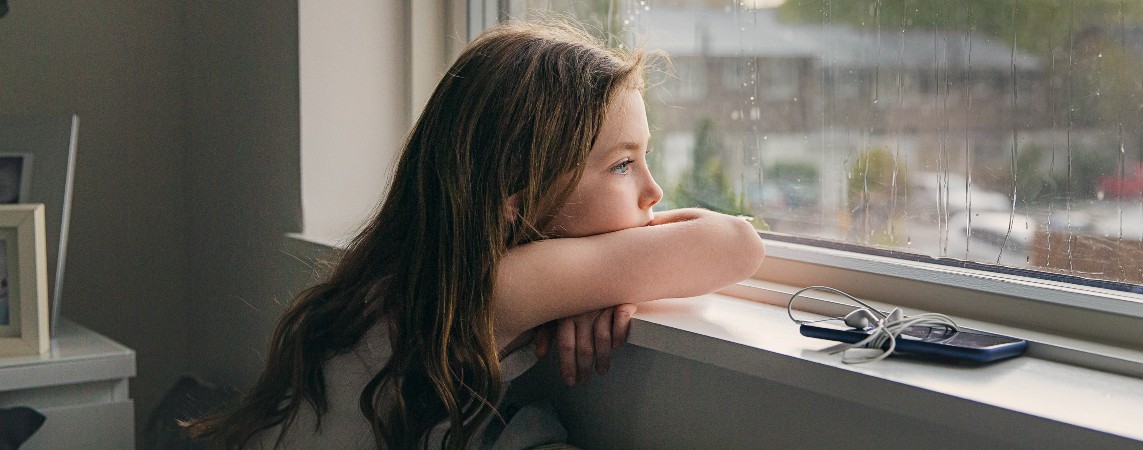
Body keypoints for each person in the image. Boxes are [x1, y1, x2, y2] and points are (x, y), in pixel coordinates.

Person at [186, 19, 764, 449]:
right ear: (517, 199)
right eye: (622, 165)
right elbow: (738, 245)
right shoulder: (483, 287)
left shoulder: (415, 272)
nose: (654, 191)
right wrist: (609, 271)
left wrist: (602, 280)